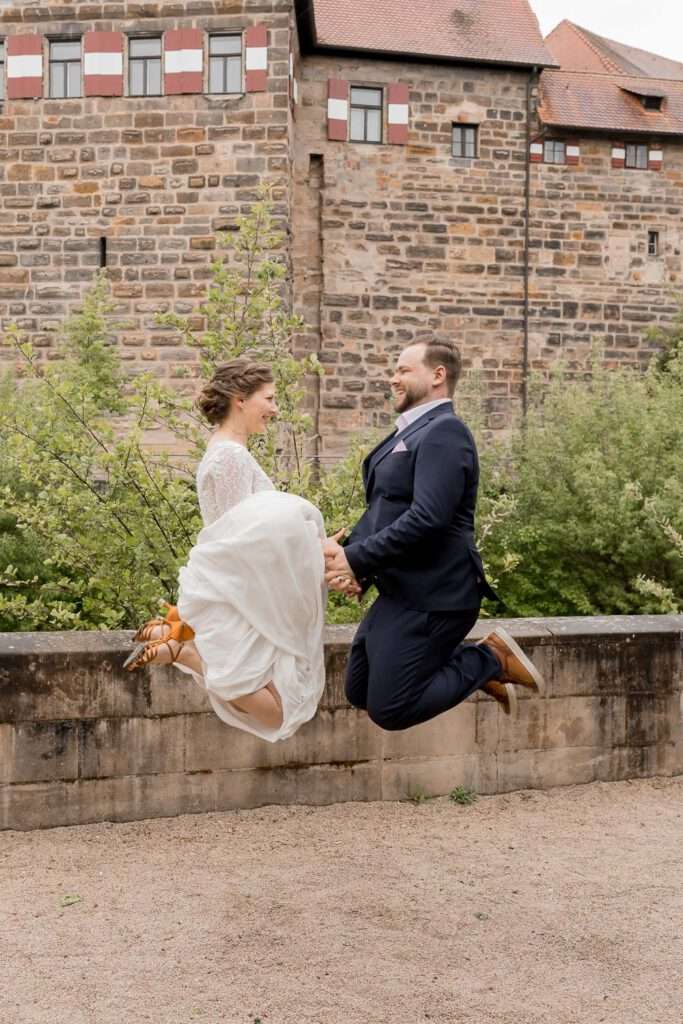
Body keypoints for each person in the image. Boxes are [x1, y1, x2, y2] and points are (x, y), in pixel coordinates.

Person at [323, 339, 545, 731]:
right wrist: (357, 564)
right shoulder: (405, 433)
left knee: (390, 709)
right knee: (359, 690)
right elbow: (385, 510)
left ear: (437, 375)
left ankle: (490, 659)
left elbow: (428, 519)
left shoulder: (446, 433)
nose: (393, 379)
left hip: (436, 595)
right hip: (401, 589)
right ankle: (475, 668)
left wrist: (356, 559)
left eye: (404, 370)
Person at [124, 358, 330, 743]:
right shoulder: (231, 456)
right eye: (268, 398)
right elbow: (247, 537)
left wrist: (316, 546)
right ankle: (184, 652)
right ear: (240, 399)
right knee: (278, 711)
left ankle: (181, 647)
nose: (274, 408)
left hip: (234, 584)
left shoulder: (225, 450)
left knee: (271, 702)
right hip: (239, 590)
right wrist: (314, 550)